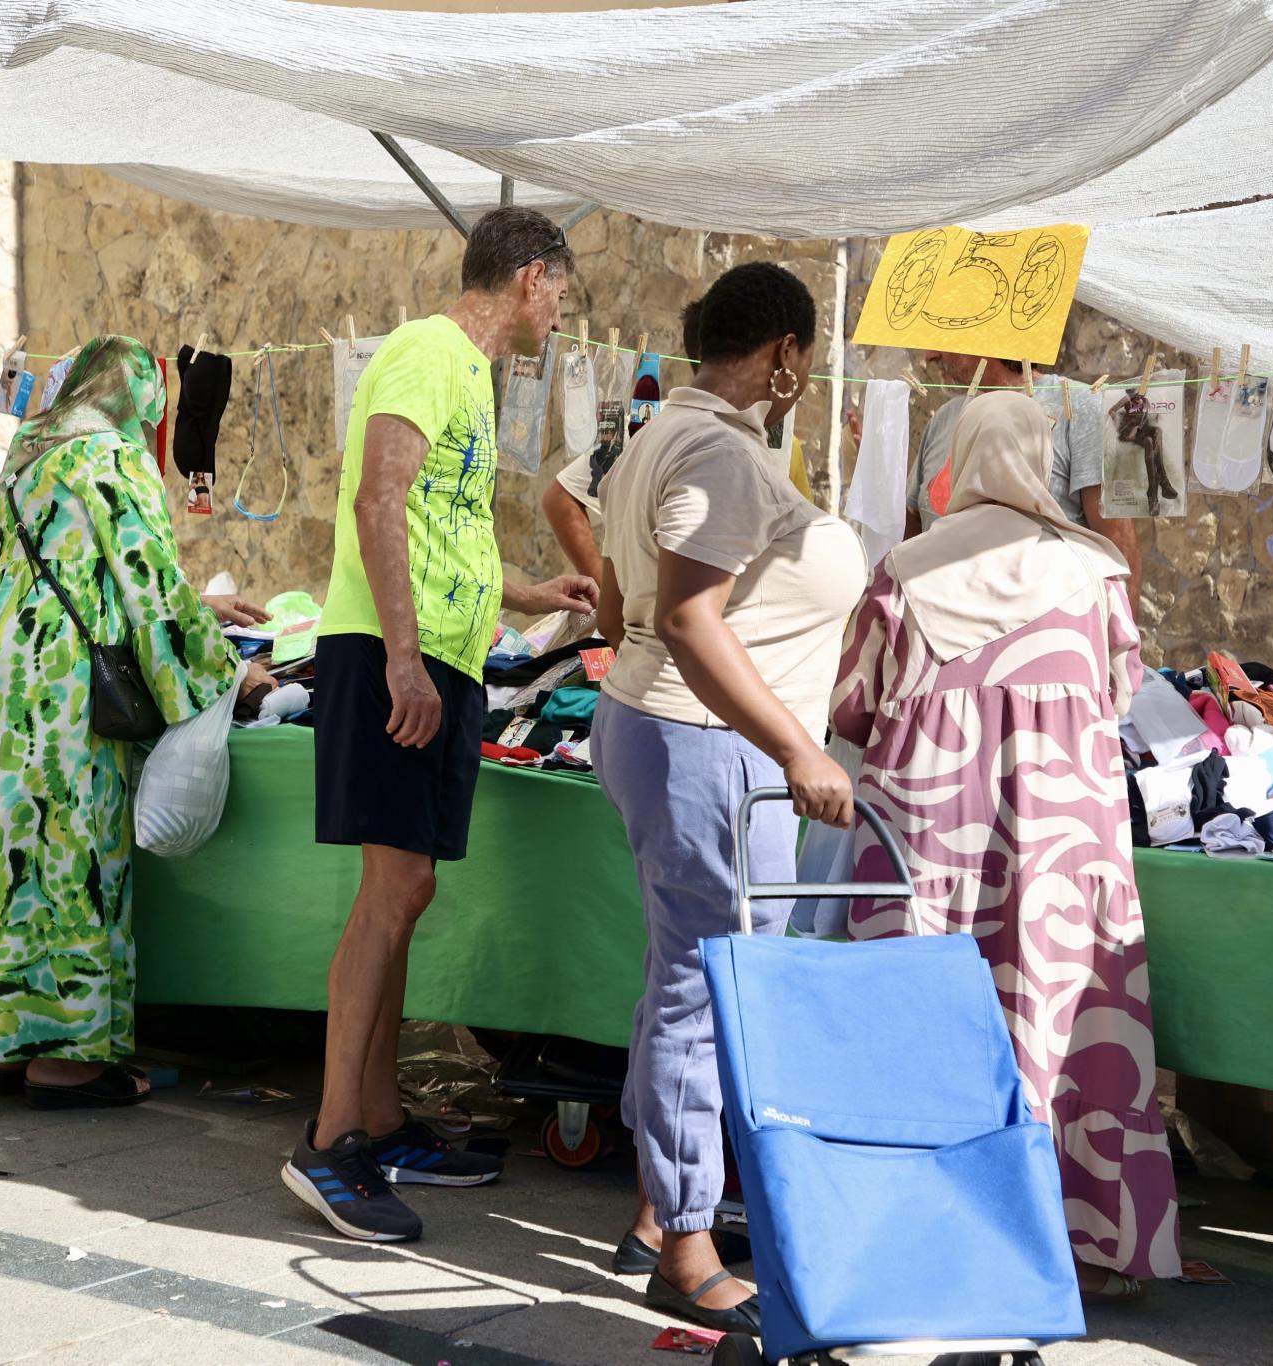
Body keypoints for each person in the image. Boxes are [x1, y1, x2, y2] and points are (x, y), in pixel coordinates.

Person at [285, 207, 598, 1242]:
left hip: (442, 658)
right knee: (393, 890)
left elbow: (440, 529)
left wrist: (529, 589)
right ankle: (331, 1142)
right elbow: (378, 502)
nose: (560, 312)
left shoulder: (469, 371)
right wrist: (404, 659)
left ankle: (378, 1119)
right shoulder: (427, 351)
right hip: (391, 655)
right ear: (530, 277)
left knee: (407, 891)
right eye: (560, 290)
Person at [830, 391, 1180, 1297]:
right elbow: (1119, 688)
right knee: (1067, 1017)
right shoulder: (1096, 572)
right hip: (1063, 843)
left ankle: (922, 1243)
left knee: (922, 1016)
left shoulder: (903, 571)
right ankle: (1083, 1253)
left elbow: (851, 713)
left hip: (927, 843)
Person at [592, 262, 866, 1335]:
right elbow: (689, 616)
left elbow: (623, 603)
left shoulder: (664, 433)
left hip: (665, 726)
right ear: (784, 353)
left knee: (685, 974)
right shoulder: (711, 447)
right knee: (701, 990)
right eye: (810, 355)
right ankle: (686, 1237)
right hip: (702, 741)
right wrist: (798, 747)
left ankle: (663, 1214)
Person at [0, 336, 246, 1106]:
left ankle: (0, 1036)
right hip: (57, 683)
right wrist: (230, 673)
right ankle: (64, 1057)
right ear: (141, 398)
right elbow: (149, 588)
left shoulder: (31, 448)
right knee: (61, 849)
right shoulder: (114, 460)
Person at [544, 299, 812, 582]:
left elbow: (800, 541)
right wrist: (605, 592)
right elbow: (561, 499)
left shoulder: (782, 444)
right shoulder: (645, 425)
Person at [901, 351, 1144, 606]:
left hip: (1043, 633)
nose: (930, 356)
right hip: (945, 630)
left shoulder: (1083, 407)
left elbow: (1118, 550)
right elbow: (915, 531)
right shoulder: (943, 419)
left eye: (943, 339)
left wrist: (1121, 641)